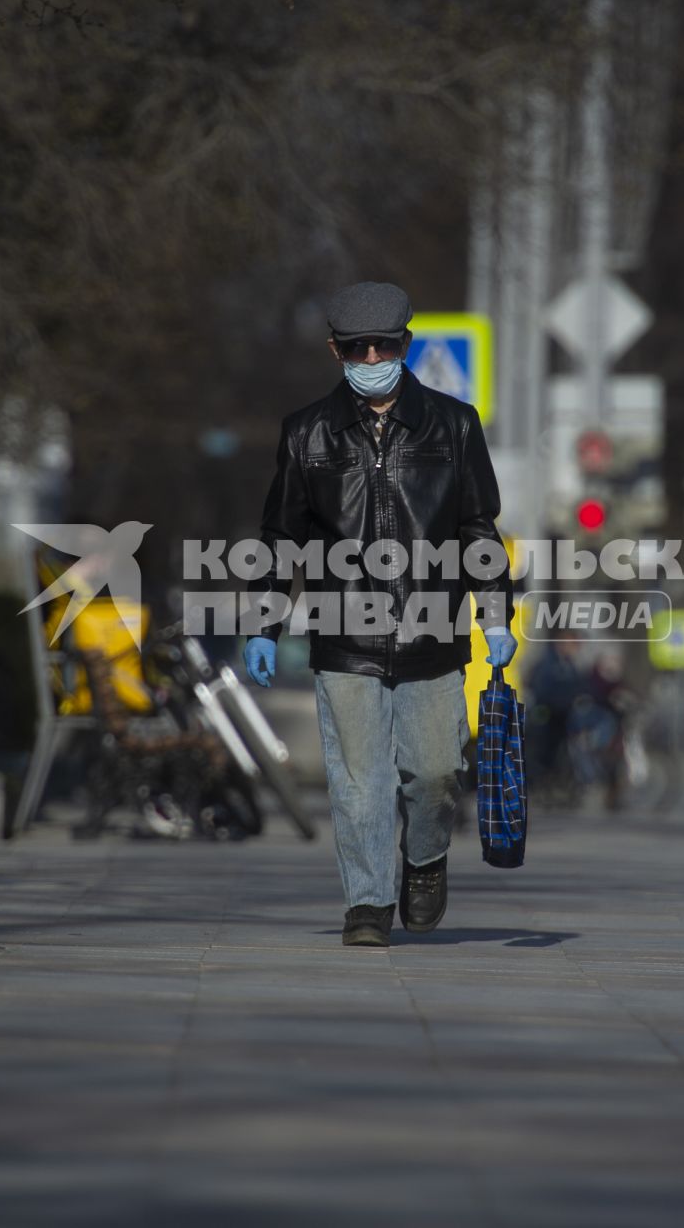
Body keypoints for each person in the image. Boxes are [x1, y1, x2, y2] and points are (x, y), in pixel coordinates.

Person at [244, 282, 514, 947]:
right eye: (358, 347)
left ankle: (423, 858)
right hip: (346, 638)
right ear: (336, 350)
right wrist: (265, 623)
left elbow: (479, 529)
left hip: (435, 635)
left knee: (434, 772)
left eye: (385, 344)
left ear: (407, 345)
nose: (373, 355)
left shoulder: (453, 426)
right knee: (360, 784)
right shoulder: (307, 434)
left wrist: (497, 614)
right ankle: (367, 903)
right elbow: (282, 537)